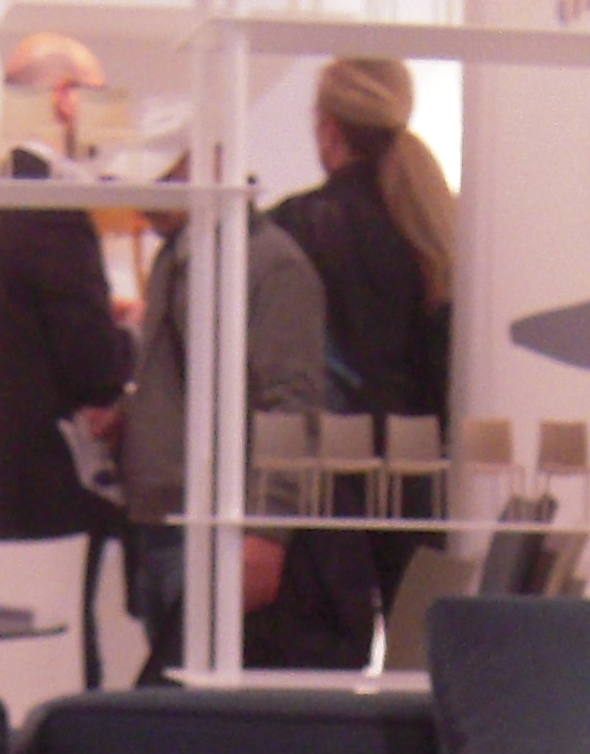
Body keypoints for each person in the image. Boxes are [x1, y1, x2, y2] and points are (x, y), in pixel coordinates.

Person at [117, 196, 370, 680]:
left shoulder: (269, 264)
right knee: (175, 697)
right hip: (171, 519)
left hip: (215, 525)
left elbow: (293, 406)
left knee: (197, 696)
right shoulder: (179, 256)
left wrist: (268, 529)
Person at [271, 58, 455, 662]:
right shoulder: (436, 227)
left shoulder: (290, 229)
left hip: (322, 481)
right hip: (420, 474)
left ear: (329, 130)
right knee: (418, 666)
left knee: (322, 675)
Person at [0, 34, 136, 682]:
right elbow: (89, 359)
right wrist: (135, 341)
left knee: (21, 643)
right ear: (65, 99)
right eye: (98, 94)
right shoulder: (51, 203)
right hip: (50, 463)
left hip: (4, 453)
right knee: (60, 643)